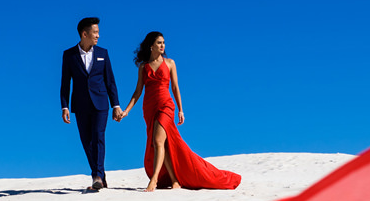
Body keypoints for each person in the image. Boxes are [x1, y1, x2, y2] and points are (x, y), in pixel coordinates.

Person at [118, 32, 241, 191]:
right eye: (159, 43)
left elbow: (175, 88)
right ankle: (175, 180)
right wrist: (127, 110)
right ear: (151, 46)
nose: (162, 46)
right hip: (149, 108)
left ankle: (154, 180)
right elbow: (137, 92)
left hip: (166, 105)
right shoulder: (143, 67)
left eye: (163, 43)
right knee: (164, 144)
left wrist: (181, 110)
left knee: (157, 141)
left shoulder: (169, 63)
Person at [60, 17, 124, 191]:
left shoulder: (103, 53)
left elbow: (110, 81)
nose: (98, 35)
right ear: (84, 34)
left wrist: (115, 105)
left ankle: (96, 175)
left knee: (98, 137)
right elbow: (65, 83)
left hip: (101, 103)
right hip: (80, 105)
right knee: (86, 141)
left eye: (98, 32)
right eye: (95, 32)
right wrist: (64, 106)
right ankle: (100, 175)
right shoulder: (69, 55)